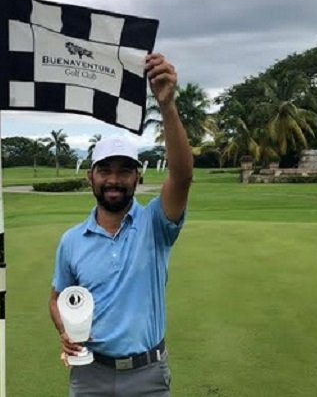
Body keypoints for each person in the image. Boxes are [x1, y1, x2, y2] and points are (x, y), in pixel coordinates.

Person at [49, 53, 193, 397]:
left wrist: (167, 105)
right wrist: (65, 332)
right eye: (105, 170)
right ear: (90, 177)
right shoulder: (72, 240)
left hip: (147, 376)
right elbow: (57, 298)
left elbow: (183, 175)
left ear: (137, 177)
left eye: (124, 170)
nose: (114, 179)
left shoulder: (156, 224)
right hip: (89, 374)